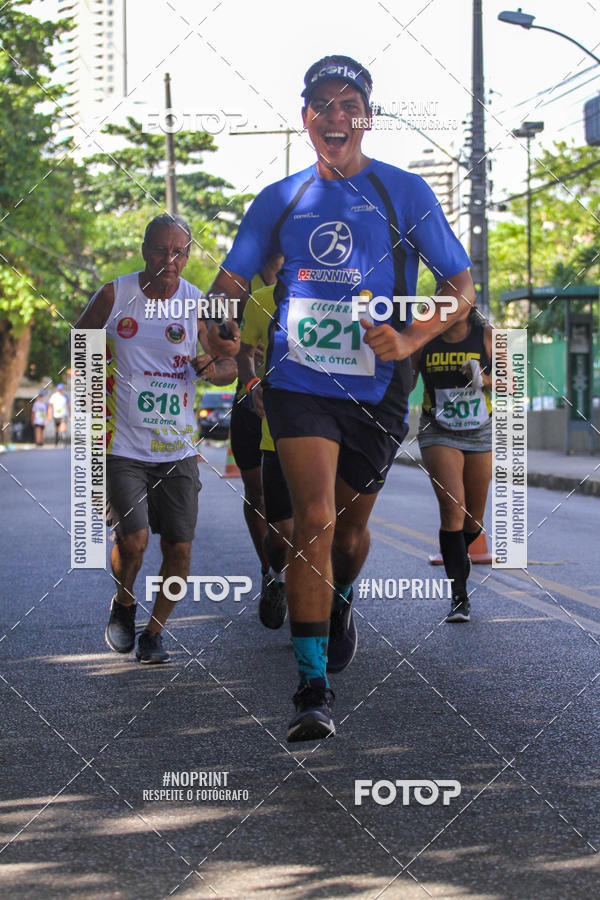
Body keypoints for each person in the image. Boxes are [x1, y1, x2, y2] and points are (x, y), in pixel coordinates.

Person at [206, 55, 474, 741]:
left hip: (380, 387)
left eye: (348, 104)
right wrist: (218, 315)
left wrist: (410, 337)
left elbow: (460, 287)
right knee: (315, 521)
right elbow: (230, 281)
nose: (334, 116)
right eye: (321, 104)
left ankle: (343, 598)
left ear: (366, 119)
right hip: (299, 381)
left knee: (350, 534)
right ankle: (311, 689)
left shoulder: (404, 192)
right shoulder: (279, 199)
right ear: (306, 118)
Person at [74, 214, 238, 663]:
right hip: (122, 446)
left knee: (179, 549)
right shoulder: (114, 295)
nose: (170, 260)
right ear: (145, 250)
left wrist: (212, 368)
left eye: (179, 252)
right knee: (133, 541)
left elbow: (230, 364)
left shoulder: (199, 303)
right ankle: (124, 603)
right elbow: (80, 346)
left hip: (177, 449)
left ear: (188, 255)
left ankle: (154, 633)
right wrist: (94, 401)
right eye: (161, 250)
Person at [412, 306, 493, 623]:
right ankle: (459, 596)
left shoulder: (488, 336)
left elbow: (514, 383)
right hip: (438, 430)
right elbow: (406, 383)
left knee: (473, 521)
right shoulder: (423, 336)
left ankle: (458, 554)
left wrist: (483, 379)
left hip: (479, 431)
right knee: (452, 508)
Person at [229, 255, 284, 608]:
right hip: (251, 403)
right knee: (257, 494)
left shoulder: (315, 280)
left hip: (296, 407)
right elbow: (223, 345)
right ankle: (270, 573)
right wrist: (243, 353)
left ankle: (299, 574)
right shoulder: (241, 287)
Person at [237, 281, 293, 629]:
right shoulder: (258, 298)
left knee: (330, 525)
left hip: (332, 427)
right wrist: (252, 384)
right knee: (281, 532)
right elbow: (242, 353)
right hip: (274, 426)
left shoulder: (347, 292)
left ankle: (332, 602)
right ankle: (274, 574)